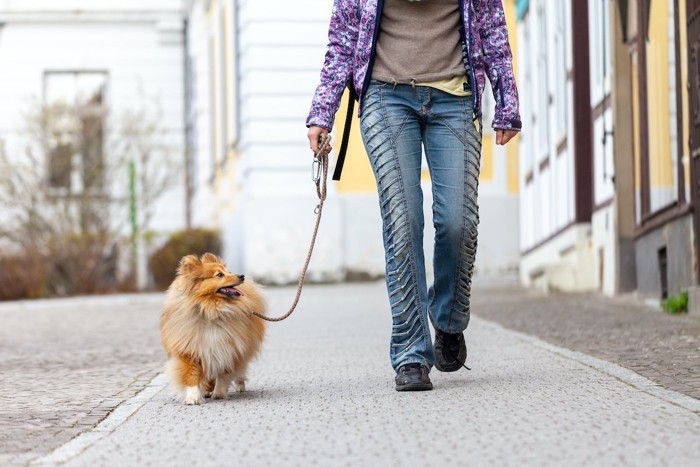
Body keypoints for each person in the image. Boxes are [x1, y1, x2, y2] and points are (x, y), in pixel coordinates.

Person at [306, 0, 521, 391]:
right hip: (385, 100)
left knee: (459, 223)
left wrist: (507, 102)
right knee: (403, 220)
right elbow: (342, 40)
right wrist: (323, 111)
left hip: (455, 97)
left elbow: (492, 27)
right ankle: (410, 353)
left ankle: (450, 320)